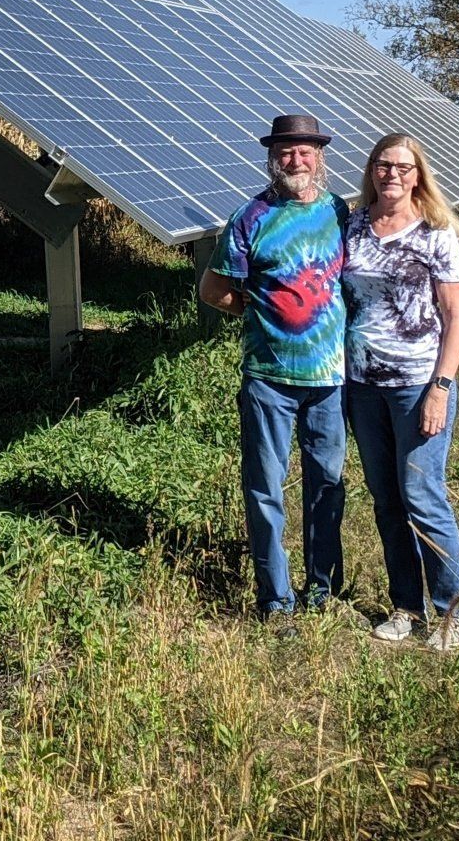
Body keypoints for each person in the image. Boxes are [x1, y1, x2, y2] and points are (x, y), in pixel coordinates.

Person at [198, 113, 352, 623]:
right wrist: (264, 313)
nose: (296, 160)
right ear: (272, 157)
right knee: (265, 487)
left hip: (329, 380)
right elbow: (214, 291)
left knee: (326, 484)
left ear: (320, 157)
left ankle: (323, 588)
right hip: (268, 378)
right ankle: (275, 597)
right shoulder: (251, 217)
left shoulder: (340, 213)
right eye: (286, 151)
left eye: (305, 151)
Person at [340, 132, 459, 651]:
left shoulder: (436, 233)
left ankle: (455, 613)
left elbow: (457, 317)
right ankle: (407, 609)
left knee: (423, 496)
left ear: (418, 174)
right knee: (387, 499)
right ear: (371, 171)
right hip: (363, 386)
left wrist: (440, 387)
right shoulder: (353, 225)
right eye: (382, 164)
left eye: (401, 166)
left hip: (417, 383)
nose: (390, 173)